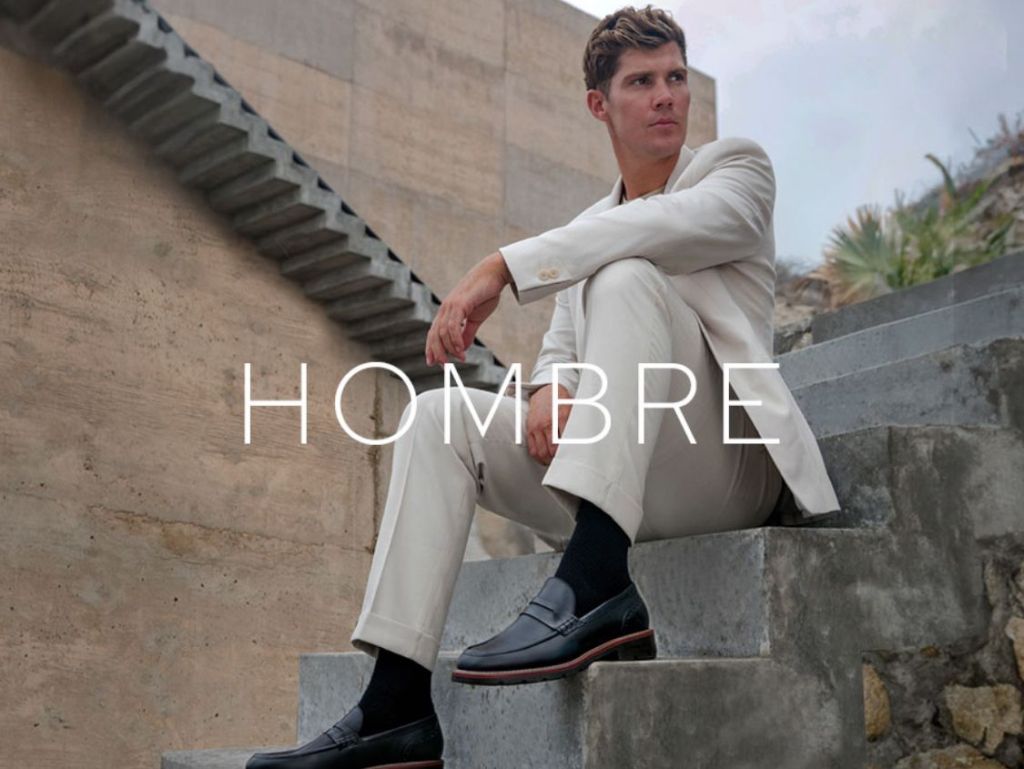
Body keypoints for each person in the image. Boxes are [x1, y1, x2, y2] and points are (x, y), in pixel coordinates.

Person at [247, 5, 840, 768]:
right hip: (628, 473)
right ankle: (394, 705)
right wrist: (550, 387)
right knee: (439, 416)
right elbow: (562, 345)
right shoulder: (586, 227)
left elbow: (651, 231)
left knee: (626, 274)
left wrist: (501, 267)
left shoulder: (737, 171)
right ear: (599, 104)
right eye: (641, 82)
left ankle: (592, 580)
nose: (666, 96)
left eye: (675, 77)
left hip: (722, 467)